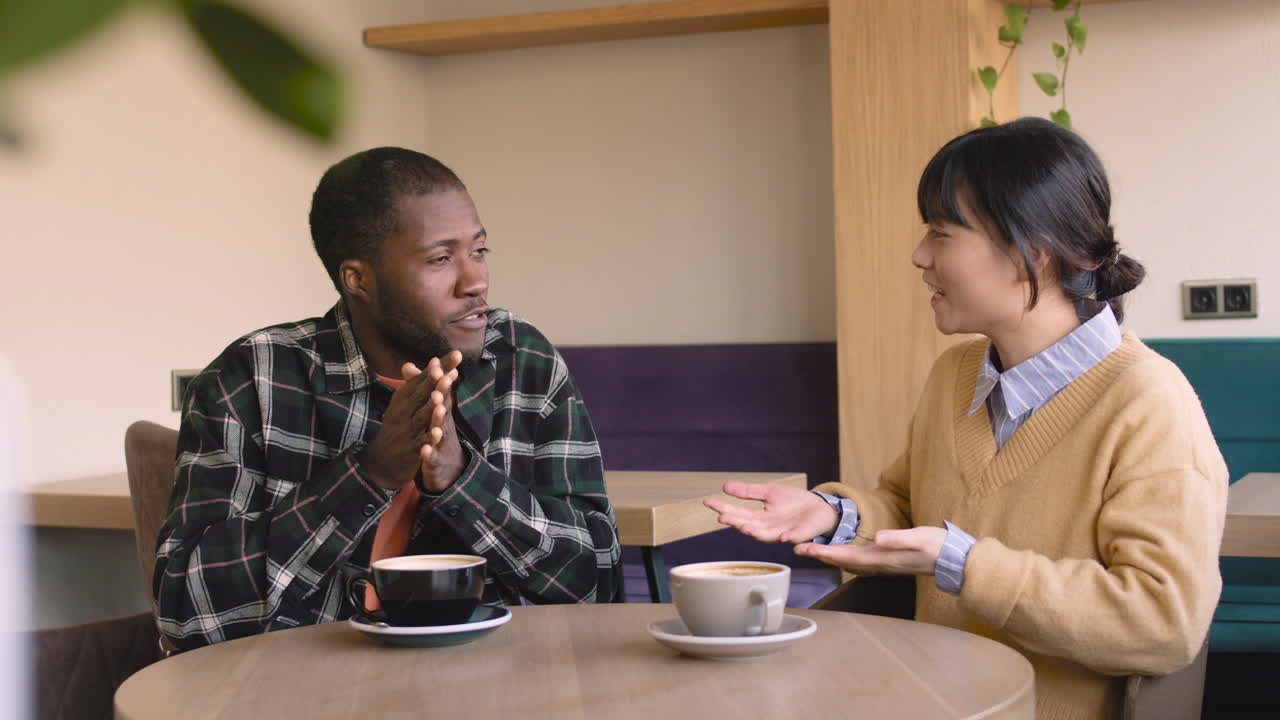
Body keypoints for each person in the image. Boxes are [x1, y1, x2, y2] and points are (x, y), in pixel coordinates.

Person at [706, 117, 1227, 720]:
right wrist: (835, 513)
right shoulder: (956, 375)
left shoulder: (1149, 403)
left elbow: (1165, 624)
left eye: (942, 233)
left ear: (1031, 251)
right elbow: (907, 509)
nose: (919, 255)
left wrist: (965, 565)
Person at [155, 148, 623, 651]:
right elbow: (186, 613)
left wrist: (462, 480)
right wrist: (369, 475)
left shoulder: (523, 362)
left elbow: (597, 582)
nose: (476, 281)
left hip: (497, 688)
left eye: (479, 251)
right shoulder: (255, 377)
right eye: (441, 259)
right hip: (303, 691)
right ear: (359, 279)